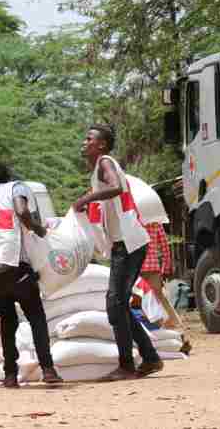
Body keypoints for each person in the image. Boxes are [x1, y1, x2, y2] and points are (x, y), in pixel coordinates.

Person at [73, 124, 163, 381]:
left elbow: (116, 187)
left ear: (101, 145)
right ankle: (149, 358)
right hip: (123, 243)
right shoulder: (98, 170)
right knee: (118, 304)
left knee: (115, 304)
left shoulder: (105, 163)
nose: (84, 142)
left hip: (129, 243)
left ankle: (129, 365)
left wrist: (86, 200)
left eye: (88, 138)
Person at [0, 161, 63, 388]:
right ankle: (48, 369)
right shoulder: (16, 188)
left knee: (7, 320)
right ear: (8, 175)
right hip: (14, 266)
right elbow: (22, 211)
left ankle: (10, 375)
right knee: (36, 316)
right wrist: (40, 229)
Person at [141, 222, 191, 353]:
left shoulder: (132, 219)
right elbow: (165, 247)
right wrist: (165, 267)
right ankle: (180, 334)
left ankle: (154, 334)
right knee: (161, 300)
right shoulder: (155, 222)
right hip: (153, 268)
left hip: (137, 268)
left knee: (142, 302)